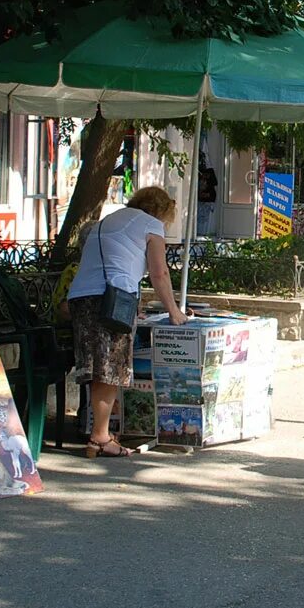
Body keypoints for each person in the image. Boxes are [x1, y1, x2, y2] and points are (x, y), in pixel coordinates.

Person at [67, 186, 188, 458]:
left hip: (81, 297)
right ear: (161, 210)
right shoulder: (151, 224)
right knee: (110, 367)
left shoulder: (112, 218)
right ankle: (99, 437)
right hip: (109, 299)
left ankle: (98, 432)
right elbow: (159, 273)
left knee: (97, 366)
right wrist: (174, 311)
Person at [196, 154, 218, 237]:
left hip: (207, 202)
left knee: (204, 220)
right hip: (203, 202)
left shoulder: (209, 185)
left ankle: (203, 234)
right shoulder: (201, 180)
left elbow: (206, 195)